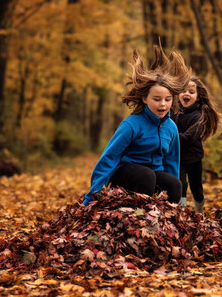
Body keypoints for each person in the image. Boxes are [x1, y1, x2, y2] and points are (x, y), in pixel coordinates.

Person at [82, 47, 192, 206]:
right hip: (125, 174)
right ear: (145, 99)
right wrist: (92, 195)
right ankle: (138, 219)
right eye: (157, 99)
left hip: (153, 174)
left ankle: (166, 219)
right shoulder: (132, 125)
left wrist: (173, 190)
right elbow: (109, 157)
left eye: (167, 99)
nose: (163, 104)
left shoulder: (171, 128)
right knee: (146, 175)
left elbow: (172, 163)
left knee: (174, 183)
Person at [174, 76, 222, 213]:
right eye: (183, 90)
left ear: (198, 97)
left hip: (194, 158)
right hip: (178, 158)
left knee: (196, 187)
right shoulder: (174, 112)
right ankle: (182, 213)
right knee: (181, 185)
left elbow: (188, 138)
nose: (186, 94)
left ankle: (199, 211)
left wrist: (169, 137)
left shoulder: (199, 116)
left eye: (191, 91)